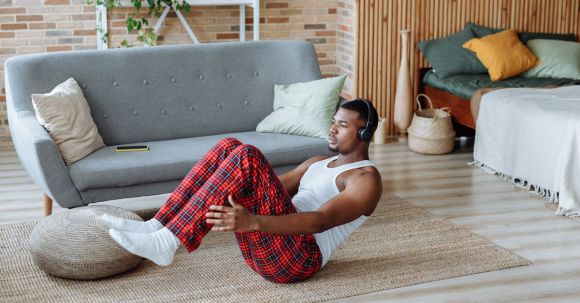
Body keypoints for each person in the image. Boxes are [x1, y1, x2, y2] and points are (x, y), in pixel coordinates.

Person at [103, 98, 383, 283]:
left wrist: (253, 221)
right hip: (270, 246)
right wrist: (229, 180)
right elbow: (268, 188)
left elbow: (320, 222)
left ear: (364, 134)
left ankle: (167, 242)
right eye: (333, 121)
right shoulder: (319, 162)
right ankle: (160, 226)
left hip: (298, 259)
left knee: (247, 156)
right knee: (229, 147)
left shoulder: (365, 179)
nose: (332, 129)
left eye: (343, 125)